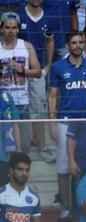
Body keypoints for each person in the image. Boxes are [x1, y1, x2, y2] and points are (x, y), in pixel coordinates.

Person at [49, 31, 86, 222]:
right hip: (65, 121)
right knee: (63, 167)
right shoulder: (57, 67)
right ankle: (64, 207)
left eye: (80, 42)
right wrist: (52, 123)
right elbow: (53, 96)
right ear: (68, 45)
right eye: (73, 42)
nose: (78, 45)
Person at [0, 11, 42, 157]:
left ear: (18, 29)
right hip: (2, 105)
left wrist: (22, 70)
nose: (11, 31)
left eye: (13, 27)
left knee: (24, 145)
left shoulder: (27, 46)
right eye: (7, 27)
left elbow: (38, 72)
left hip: (22, 102)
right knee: (4, 147)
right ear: (1, 28)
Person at [17, 0, 54, 160]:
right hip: (18, 71)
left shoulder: (49, 17)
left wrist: (48, 66)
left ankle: (42, 146)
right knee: (18, 107)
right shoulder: (19, 15)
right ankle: (21, 147)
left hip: (38, 72)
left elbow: (50, 41)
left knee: (39, 108)